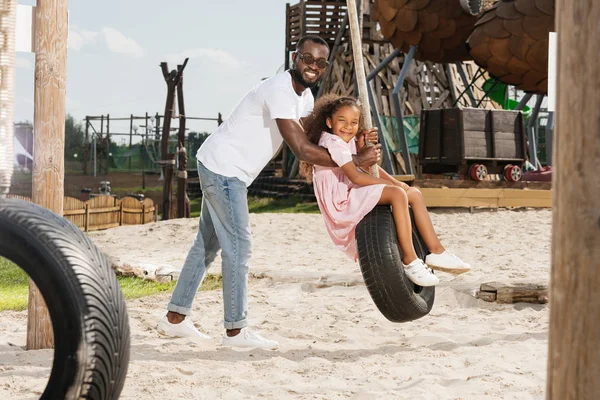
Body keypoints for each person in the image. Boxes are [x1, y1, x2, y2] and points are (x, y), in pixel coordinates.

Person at [156, 35, 382, 350]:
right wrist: (356, 162)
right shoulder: (279, 90)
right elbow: (303, 150)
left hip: (221, 166)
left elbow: (323, 143)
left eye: (319, 62)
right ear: (295, 57)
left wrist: (356, 141)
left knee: (206, 247)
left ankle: (174, 319)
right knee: (239, 246)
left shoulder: (303, 97)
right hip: (225, 169)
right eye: (307, 58)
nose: (313, 66)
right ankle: (236, 331)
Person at [300, 94, 471, 287]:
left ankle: (437, 251)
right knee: (397, 195)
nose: (348, 127)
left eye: (354, 122)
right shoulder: (333, 143)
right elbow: (356, 175)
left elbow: (365, 166)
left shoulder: (346, 140)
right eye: (342, 121)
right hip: (341, 202)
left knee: (412, 193)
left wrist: (397, 182)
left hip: (350, 190)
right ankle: (410, 260)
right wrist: (393, 187)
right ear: (329, 122)